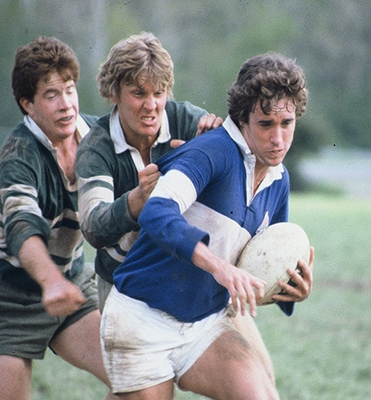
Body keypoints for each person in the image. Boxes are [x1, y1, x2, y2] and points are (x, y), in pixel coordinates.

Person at [101, 52, 314, 399]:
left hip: (204, 325)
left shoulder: (279, 180)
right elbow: (156, 212)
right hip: (141, 320)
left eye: (286, 123)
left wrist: (290, 290)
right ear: (242, 120)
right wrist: (220, 269)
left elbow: (263, 265)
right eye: (265, 124)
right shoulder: (210, 152)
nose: (278, 139)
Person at [0, 37, 117, 400]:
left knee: (138, 382)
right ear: (28, 105)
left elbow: (154, 127)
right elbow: (22, 224)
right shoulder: (17, 155)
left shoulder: (100, 137)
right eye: (51, 95)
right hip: (10, 300)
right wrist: (50, 280)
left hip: (73, 288)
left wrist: (201, 128)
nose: (66, 104)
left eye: (69, 90)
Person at [75, 32, 222, 312]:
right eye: (139, 93)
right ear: (115, 93)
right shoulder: (96, 146)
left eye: (158, 93)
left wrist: (212, 149)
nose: (151, 105)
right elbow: (93, 227)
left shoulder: (189, 122)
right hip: (123, 281)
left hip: (185, 275)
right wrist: (137, 201)